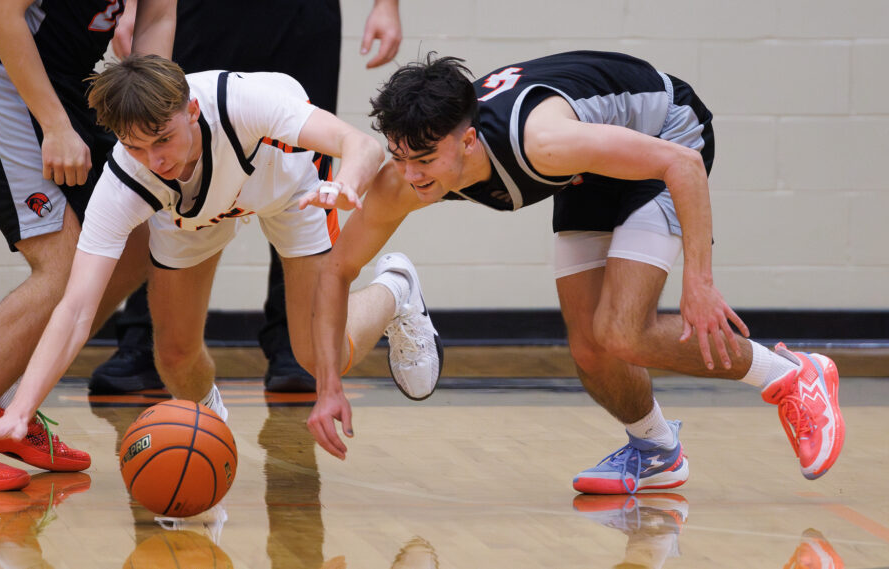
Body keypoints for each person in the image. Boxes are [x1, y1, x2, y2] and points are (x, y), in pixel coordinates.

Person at [306, 51, 845, 493]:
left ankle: (795, 377)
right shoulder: (406, 176)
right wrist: (328, 385)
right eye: (400, 157)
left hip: (667, 135)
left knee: (622, 330)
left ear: (467, 140)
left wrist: (698, 282)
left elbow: (679, 166)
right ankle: (656, 450)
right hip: (589, 170)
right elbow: (337, 270)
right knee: (590, 346)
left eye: (423, 159)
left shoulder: (542, 142)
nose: (409, 175)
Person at [0, 55, 442, 461]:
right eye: (135, 147)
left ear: (192, 110)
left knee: (314, 354)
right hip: (197, 211)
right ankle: (213, 433)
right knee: (175, 355)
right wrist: (21, 409)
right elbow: (76, 308)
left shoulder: (245, 103)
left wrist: (345, 186)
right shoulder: (126, 179)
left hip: (294, 189)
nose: (155, 159)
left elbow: (363, 145)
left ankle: (395, 288)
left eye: (163, 139)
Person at [0, 0, 176, 491]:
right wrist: (54, 126)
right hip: (0, 71)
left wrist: (149, 115)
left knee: (137, 243)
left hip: (71, 82)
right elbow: (1, 15)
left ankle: (11, 410)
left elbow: (157, 16)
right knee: (63, 264)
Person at [93, 0, 403, 394]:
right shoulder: (164, 136)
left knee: (320, 352)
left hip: (300, 27)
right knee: (163, 147)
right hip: (201, 16)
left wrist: (385, 5)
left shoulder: (254, 102)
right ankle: (145, 341)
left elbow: (358, 144)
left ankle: (315, 329)